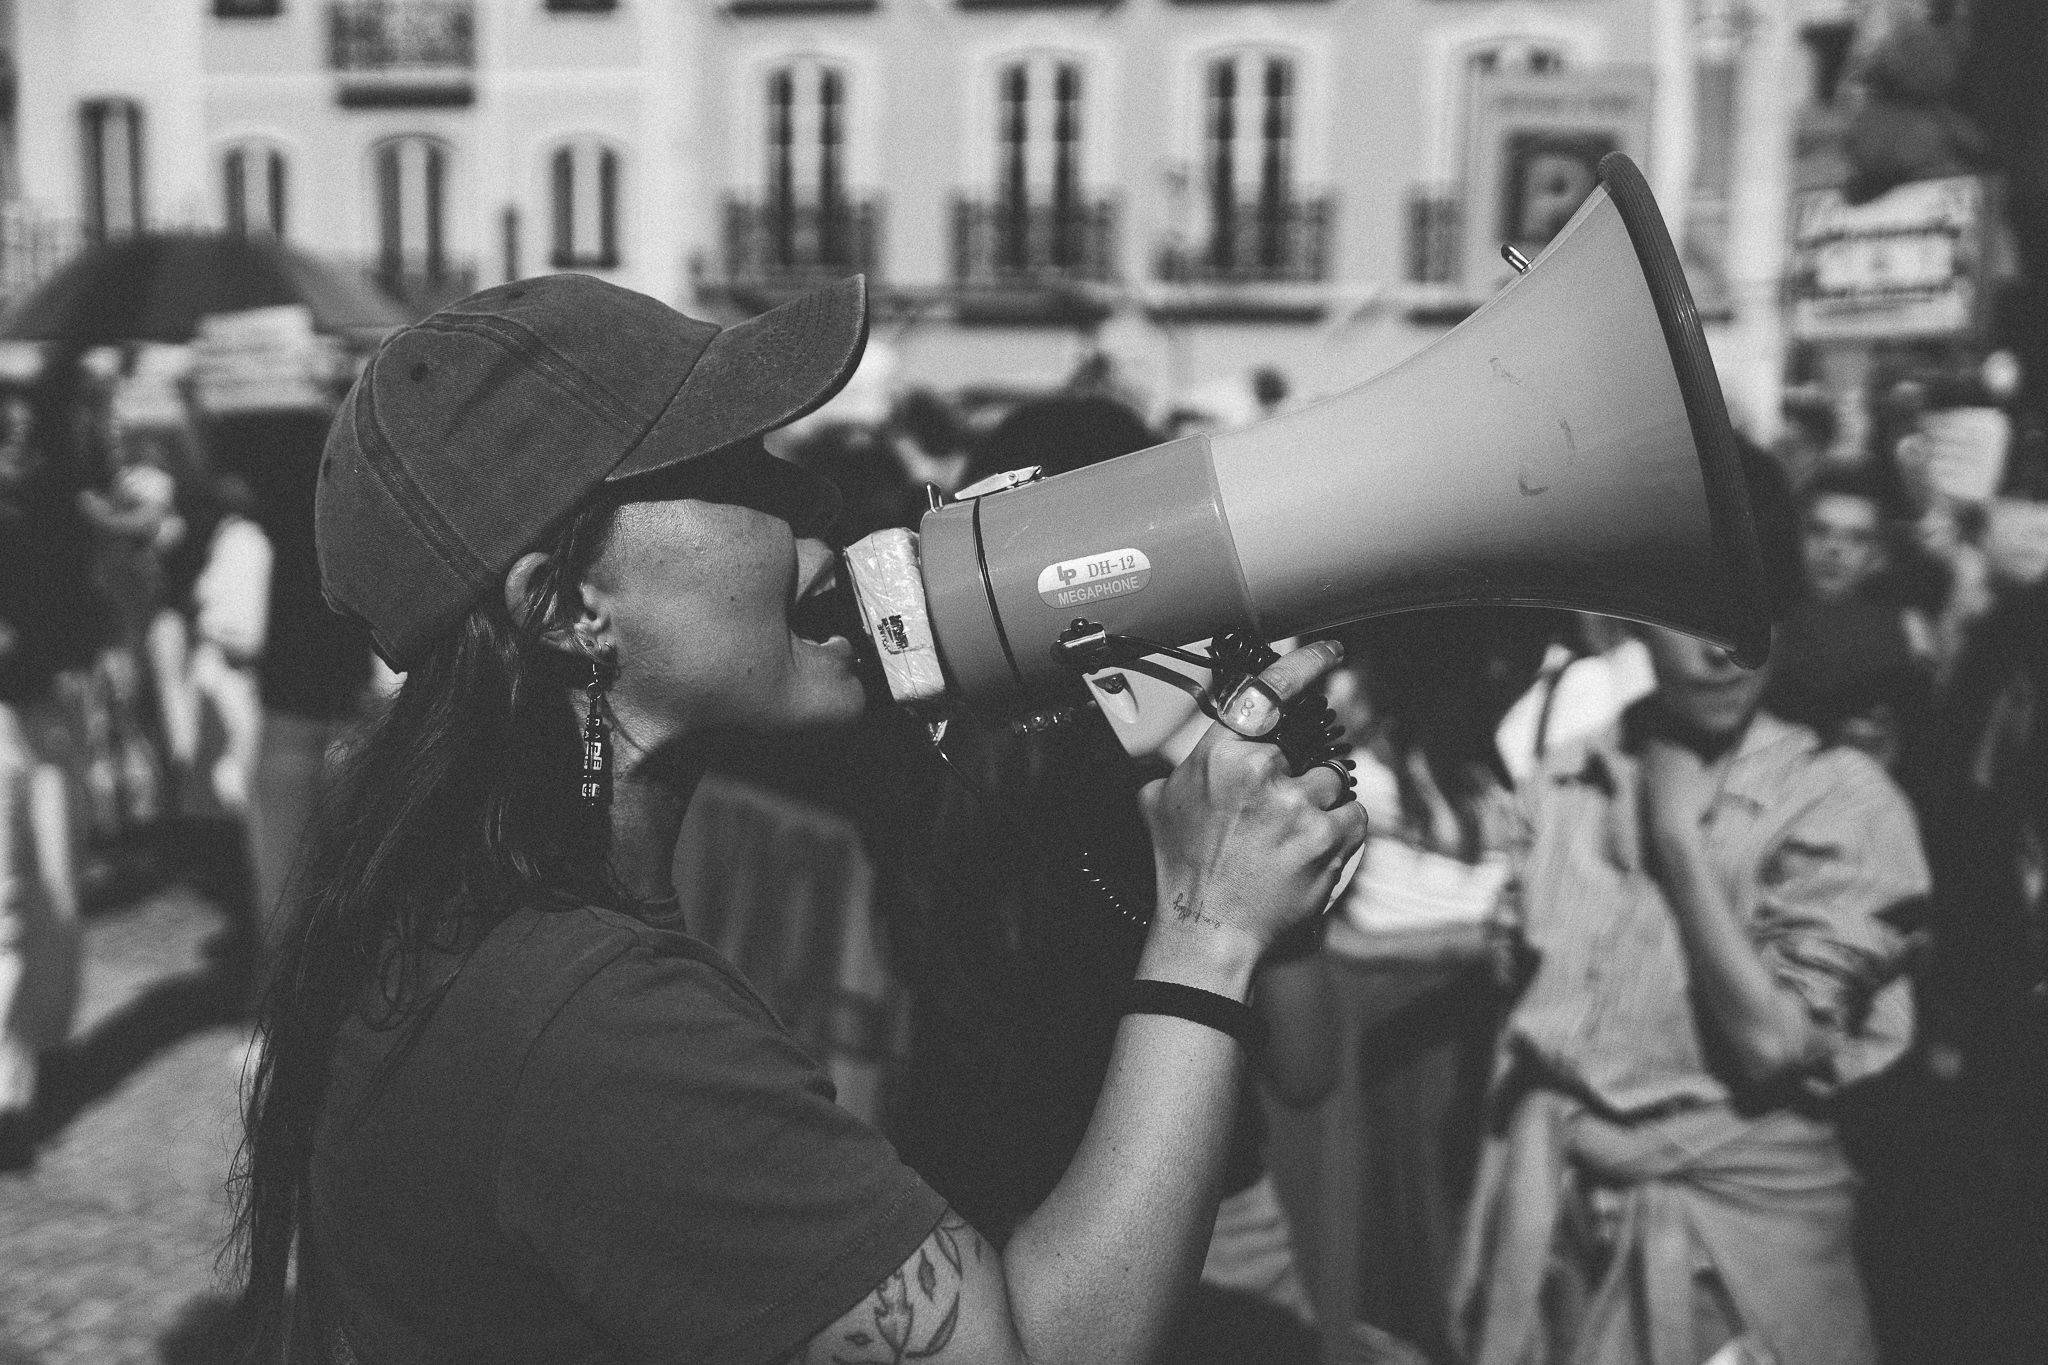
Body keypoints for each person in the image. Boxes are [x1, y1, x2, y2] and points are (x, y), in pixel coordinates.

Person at [230, 273, 1367, 1365]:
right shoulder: (599, 1022)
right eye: (739, 467)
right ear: (569, 607)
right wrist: (1206, 929)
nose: (816, 502)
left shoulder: (457, 934)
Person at [887, 396, 1335, 1365]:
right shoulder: (1209, 777)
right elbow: (1306, 1065)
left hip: (979, 1253)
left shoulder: (912, 769)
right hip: (1216, 1248)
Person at [1451, 599, 1931, 1365]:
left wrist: (1677, 845)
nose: (1723, 652)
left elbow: (1772, 1043)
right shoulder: (1568, 774)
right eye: (1691, 618)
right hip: (1570, 1235)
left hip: (1743, 1261)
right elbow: (1525, 1008)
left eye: (1750, 616)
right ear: (1634, 623)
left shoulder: (1837, 794)